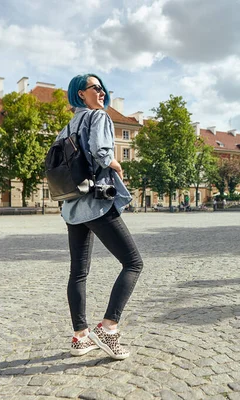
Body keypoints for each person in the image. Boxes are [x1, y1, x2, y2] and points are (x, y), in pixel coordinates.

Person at [60, 74, 143, 360]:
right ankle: (109, 327)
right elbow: (101, 151)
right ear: (81, 94)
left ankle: (80, 337)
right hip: (96, 202)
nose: (103, 93)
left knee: (78, 273)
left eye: (103, 88)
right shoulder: (99, 117)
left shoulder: (68, 125)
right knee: (133, 263)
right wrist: (116, 164)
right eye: (96, 88)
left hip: (72, 206)